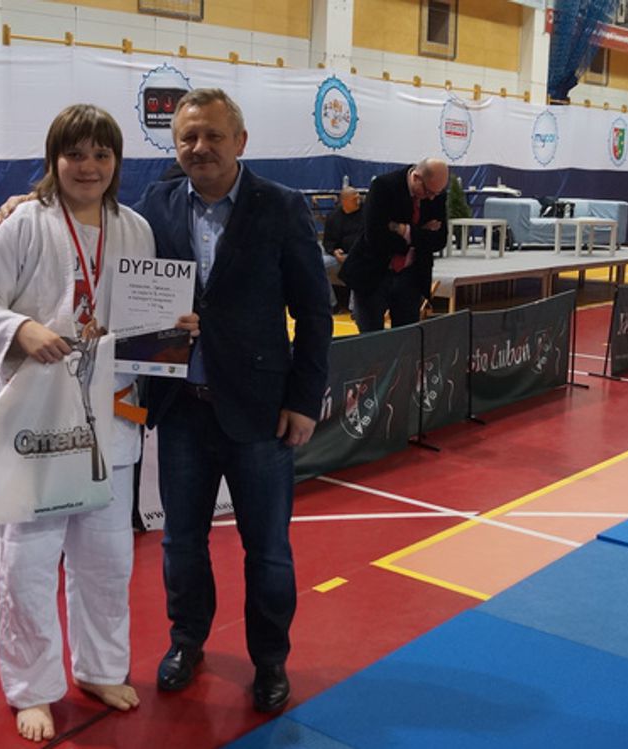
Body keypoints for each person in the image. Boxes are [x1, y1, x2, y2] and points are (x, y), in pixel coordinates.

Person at [0, 104, 197, 743]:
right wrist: (19, 328)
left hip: (111, 415)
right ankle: (32, 687)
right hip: (38, 417)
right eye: (75, 154)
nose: (88, 166)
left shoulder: (135, 228)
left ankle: (100, 668)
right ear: (54, 159)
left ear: (117, 162)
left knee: (107, 558)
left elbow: (147, 321)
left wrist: (175, 329)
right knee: (28, 562)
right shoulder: (24, 225)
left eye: (101, 154)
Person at [135, 88, 332, 713]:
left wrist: (305, 400)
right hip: (182, 410)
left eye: (213, 136)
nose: (201, 148)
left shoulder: (282, 205)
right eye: (188, 137)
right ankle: (186, 641)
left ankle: (270, 660)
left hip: (261, 411)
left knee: (268, 550)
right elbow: (100, 234)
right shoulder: (155, 205)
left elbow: (315, 312)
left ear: (240, 142)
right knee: (180, 543)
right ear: (175, 145)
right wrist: (26, 203)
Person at [346, 159, 448, 331]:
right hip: (374, 274)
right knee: (371, 339)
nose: (431, 197)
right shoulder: (383, 186)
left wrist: (404, 231)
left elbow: (439, 240)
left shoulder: (436, 195)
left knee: (406, 339)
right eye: (428, 191)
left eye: (436, 193)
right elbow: (375, 237)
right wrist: (420, 235)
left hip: (411, 277)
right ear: (416, 177)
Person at [321, 185, 364, 314]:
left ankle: (356, 309)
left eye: (358, 197)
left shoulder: (367, 212)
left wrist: (355, 254)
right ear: (344, 201)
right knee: (318, 264)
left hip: (361, 255)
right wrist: (334, 251)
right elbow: (327, 242)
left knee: (360, 265)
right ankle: (331, 304)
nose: (358, 200)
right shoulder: (333, 217)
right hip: (340, 257)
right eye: (354, 198)